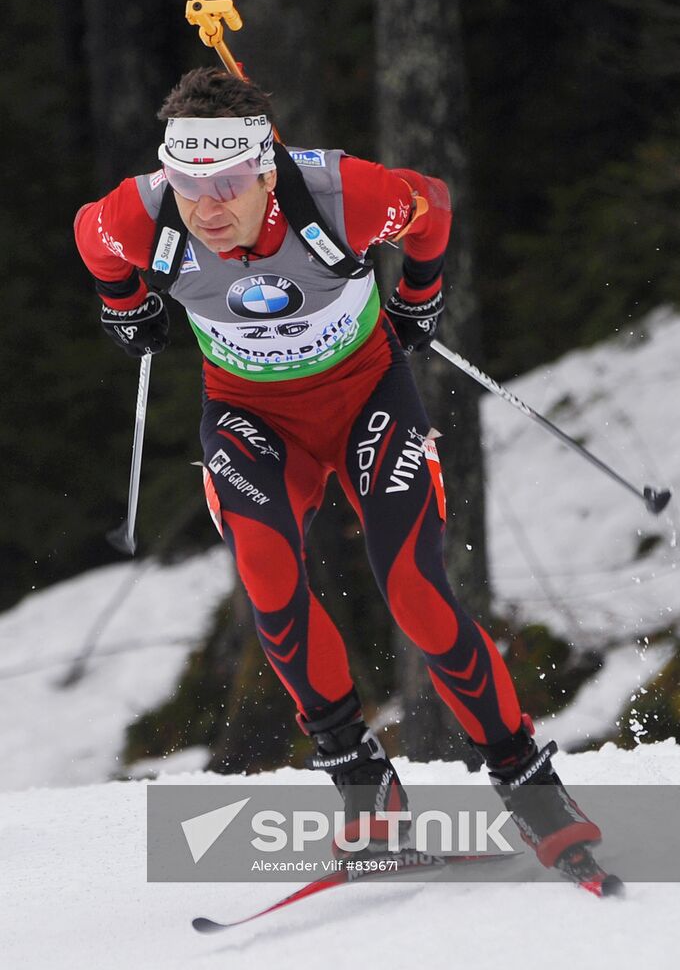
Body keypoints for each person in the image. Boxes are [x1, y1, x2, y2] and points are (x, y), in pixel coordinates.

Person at [75, 67, 603, 880]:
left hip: (366, 402)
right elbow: (89, 235)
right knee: (267, 575)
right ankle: (363, 781)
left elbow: (430, 206)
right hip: (253, 419)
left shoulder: (341, 193)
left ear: (263, 167)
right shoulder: (141, 215)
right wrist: (123, 303)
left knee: (417, 595)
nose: (206, 207)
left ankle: (529, 784)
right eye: (187, 182)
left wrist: (420, 291)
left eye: (225, 183)